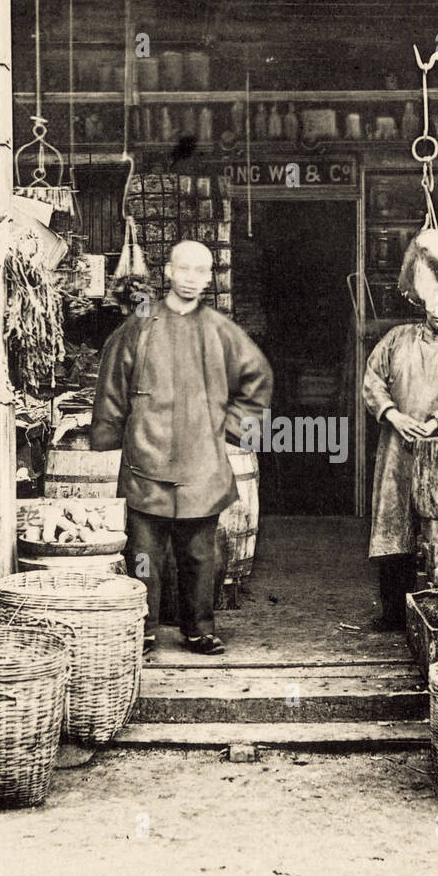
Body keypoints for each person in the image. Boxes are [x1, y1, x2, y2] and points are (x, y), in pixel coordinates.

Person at [91, 240, 273, 655]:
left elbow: (257, 377)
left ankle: (199, 629)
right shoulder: (140, 321)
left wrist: (230, 430)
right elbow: (112, 377)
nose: (191, 278)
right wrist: (109, 433)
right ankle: (143, 629)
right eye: (184, 269)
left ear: (209, 278)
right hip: (146, 458)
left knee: (199, 556)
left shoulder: (220, 329)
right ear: (168, 271)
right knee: (143, 556)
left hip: (201, 463)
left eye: (200, 271)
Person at [362, 235, 438, 631]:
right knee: (393, 528)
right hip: (397, 447)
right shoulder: (397, 339)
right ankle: (393, 612)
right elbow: (372, 381)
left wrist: (435, 422)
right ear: (424, 297)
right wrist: (393, 415)